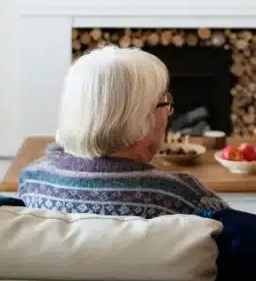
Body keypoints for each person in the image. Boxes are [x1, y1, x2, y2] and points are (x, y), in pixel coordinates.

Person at [18, 45, 227, 218]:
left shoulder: (32, 181)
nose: (170, 113)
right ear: (143, 117)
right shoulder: (185, 198)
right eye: (165, 102)